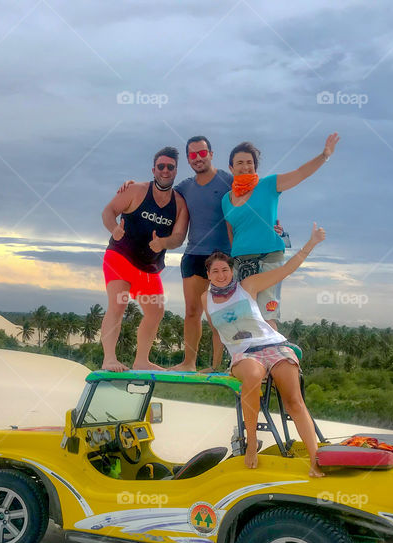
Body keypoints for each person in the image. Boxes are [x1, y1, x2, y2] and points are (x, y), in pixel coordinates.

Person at [117, 136, 285, 373]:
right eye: (193, 155)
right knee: (192, 312)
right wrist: (133, 185)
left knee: (222, 314)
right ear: (188, 159)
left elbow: (259, 201)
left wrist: (276, 227)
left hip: (224, 258)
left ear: (211, 154)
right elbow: (159, 191)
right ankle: (189, 362)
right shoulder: (185, 187)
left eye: (202, 153)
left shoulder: (230, 181)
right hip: (194, 256)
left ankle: (217, 365)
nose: (198, 158)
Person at [203, 224, 326, 475]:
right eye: (215, 271)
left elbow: (285, 270)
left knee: (293, 401)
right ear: (208, 275)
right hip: (244, 354)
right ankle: (250, 444)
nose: (221, 274)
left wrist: (311, 243)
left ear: (232, 270)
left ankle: (315, 459)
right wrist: (215, 364)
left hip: (274, 346)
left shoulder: (247, 286)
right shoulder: (205, 299)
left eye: (225, 269)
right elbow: (217, 333)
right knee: (253, 376)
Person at [223, 134, 339, 330]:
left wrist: (324, 155)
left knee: (266, 315)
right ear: (231, 168)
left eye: (249, 162)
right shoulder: (226, 199)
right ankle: (247, 360)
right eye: (240, 162)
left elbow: (300, 173)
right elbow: (232, 232)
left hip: (269, 258)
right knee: (243, 317)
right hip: (240, 262)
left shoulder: (268, 185)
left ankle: (276, 358)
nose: (245, 166)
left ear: (255, 166)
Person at [100, 147, 188, 371]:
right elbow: (108, 211)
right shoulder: (136, 190)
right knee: (118, 304)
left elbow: (178, 237)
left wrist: (163, 243)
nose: (165, 170)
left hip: (148, 267)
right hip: (120, 256)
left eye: (170, 167)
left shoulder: (179, 203)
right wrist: (114, 229)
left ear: (176, 170)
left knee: (156, 312)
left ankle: (141, 360)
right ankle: (109, 358)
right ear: (153, 169)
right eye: (161, 166)